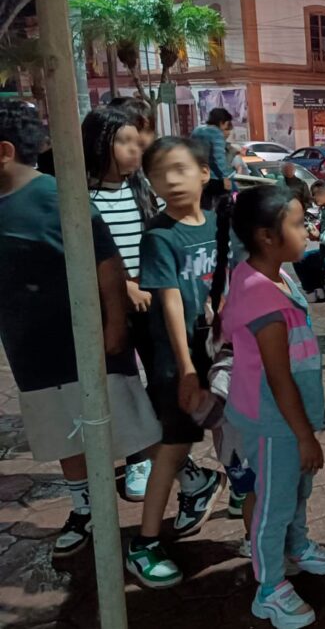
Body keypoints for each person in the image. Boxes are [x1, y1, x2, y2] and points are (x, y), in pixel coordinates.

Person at [0, 100, 160, 559]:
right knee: (61, 432)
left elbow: (107, 266)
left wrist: (114, 323)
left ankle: (180, 485)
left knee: (131, 420)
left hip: (89, 342)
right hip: (32, 353)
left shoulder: (57, 196)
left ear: (4, 151)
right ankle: (84, 507)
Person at [220, 184, 325, 627]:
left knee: (295, 489)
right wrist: (305, 435)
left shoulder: (275, 275)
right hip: (275, 422)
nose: (308, 230)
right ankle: (269, 586)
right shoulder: (262, 294)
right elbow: (278, 377)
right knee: (273, 504)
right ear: (267, 236)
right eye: (297, 224)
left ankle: (298, 546)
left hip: (286, 419)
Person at [126, 137, 228, 589]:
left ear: (204, 172)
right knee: (171, 448)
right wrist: (186, 368)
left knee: (235, 435)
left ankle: (246, 508)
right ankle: (144, 542)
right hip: (179, 359)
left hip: (220, 353)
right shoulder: (159, 235)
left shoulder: (221, 224)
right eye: (159, 173)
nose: (171, 180)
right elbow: (169, 301)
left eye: (180, 169)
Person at [83, 106, 166, 502]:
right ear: (100, 142)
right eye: (124, 141)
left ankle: (165, 449)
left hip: (150, 305)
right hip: (109, 309)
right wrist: (124, 288)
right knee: (123, 385)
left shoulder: (143, 191)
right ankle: (137, 457)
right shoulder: (83, 197)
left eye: (137, 142)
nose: (135, 150)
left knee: (160, 378)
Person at [191, 107, 234, 208]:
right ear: (222, 122)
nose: (226, 127)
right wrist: (225, 177)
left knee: (202, 206)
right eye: (227, 123)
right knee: (222, 207)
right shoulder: (216, 133)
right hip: (214, 177)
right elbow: (218, 157)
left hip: (198, 175)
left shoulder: (197, 130)